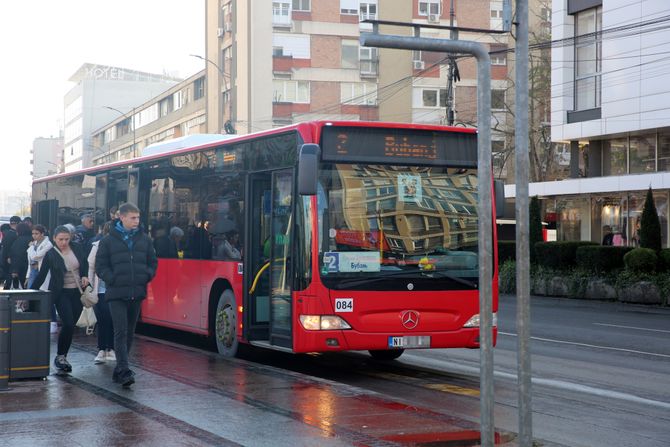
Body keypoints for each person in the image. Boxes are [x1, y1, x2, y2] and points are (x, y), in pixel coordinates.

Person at [96, 203, 157, 387]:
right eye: (133, 218)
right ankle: (124, 370)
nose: (136, 221)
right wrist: (111, 278)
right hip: (116, 292)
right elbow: (100, 265)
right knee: (120, 331)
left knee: (130, 332)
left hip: (136, 292)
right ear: (121, 217)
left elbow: (152, 262)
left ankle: (120, 368)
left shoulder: (145, 240)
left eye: (138, 218)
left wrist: (146, 275)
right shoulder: (108, 241)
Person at [31, 226, 89, 373]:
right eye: (61, 239)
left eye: (67, 239)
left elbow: (84, 264)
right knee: (68, 323)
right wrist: (29, 292)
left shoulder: (77, 248)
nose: (64, 242)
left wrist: (85, 276)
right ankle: (61, 356)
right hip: (60, 292)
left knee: (72, 324)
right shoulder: (51, 254)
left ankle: (63, 355)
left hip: (77, 292)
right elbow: (42, 275)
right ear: (54, 239)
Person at [88, 222, 115, 364]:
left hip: (114, 288)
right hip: (101, 288)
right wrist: (91, 287)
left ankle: (109, 348)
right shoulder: (97, 245)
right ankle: (103, 348)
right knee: (104, 318)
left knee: (111, 319)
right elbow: (91, 266)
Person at [8, 222, 32, 289]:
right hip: (31, 268)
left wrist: (15, 270)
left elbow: (17, 256)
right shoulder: (31, 239)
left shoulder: (19, 241)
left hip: (22, 269)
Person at [1, 216, 21, 288]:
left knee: (9, 279)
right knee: (11, 279)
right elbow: (12, 248)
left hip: (5, 260)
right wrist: (9, 257)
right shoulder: (14, 235)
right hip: (10, 260)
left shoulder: (7, 234)